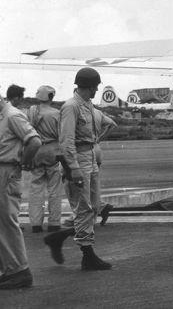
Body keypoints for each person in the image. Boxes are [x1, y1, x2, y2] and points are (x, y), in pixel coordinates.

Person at [43, 68, 114, 271]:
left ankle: (59, 238)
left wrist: (94, 143)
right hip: (78, 160)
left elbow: (107, 125)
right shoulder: (71, 107)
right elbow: (66, 142)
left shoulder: (88, 105)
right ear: (88, 86)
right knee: (83, 207)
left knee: (92, 207)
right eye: (95, 86)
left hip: (89, 157)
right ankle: (87, 256)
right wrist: (73, 168)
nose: (97, 89)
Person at [0, 87, 41, 289]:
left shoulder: (12, 115)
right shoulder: (4, 115)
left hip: (7, 172)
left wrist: (23, 164)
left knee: (7, 221)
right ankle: (9, 269)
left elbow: (34, 141)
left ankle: (20, 271)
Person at [26, 86, 63, 233]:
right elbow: (62, 135)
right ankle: (54, 222)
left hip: (36, 150)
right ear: (51, 96)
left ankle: (36, 223)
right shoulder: (56, 114)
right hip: (52, 150)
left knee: (36, 188)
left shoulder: (31, 112)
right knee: (54, 188)